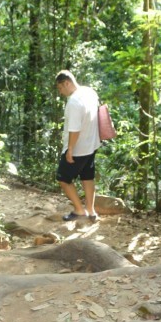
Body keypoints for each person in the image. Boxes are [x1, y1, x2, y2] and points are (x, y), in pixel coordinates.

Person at [55, 69, 101, 221]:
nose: (61, 92)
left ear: (67, 83)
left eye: (60, 88)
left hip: (78, 149)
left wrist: (70, 150)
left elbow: (75, 129)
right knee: (87, 177)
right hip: (92, 144)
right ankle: (91, 211)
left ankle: (79, 210)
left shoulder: (74, 102)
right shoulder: (89, 92)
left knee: (63, 178)